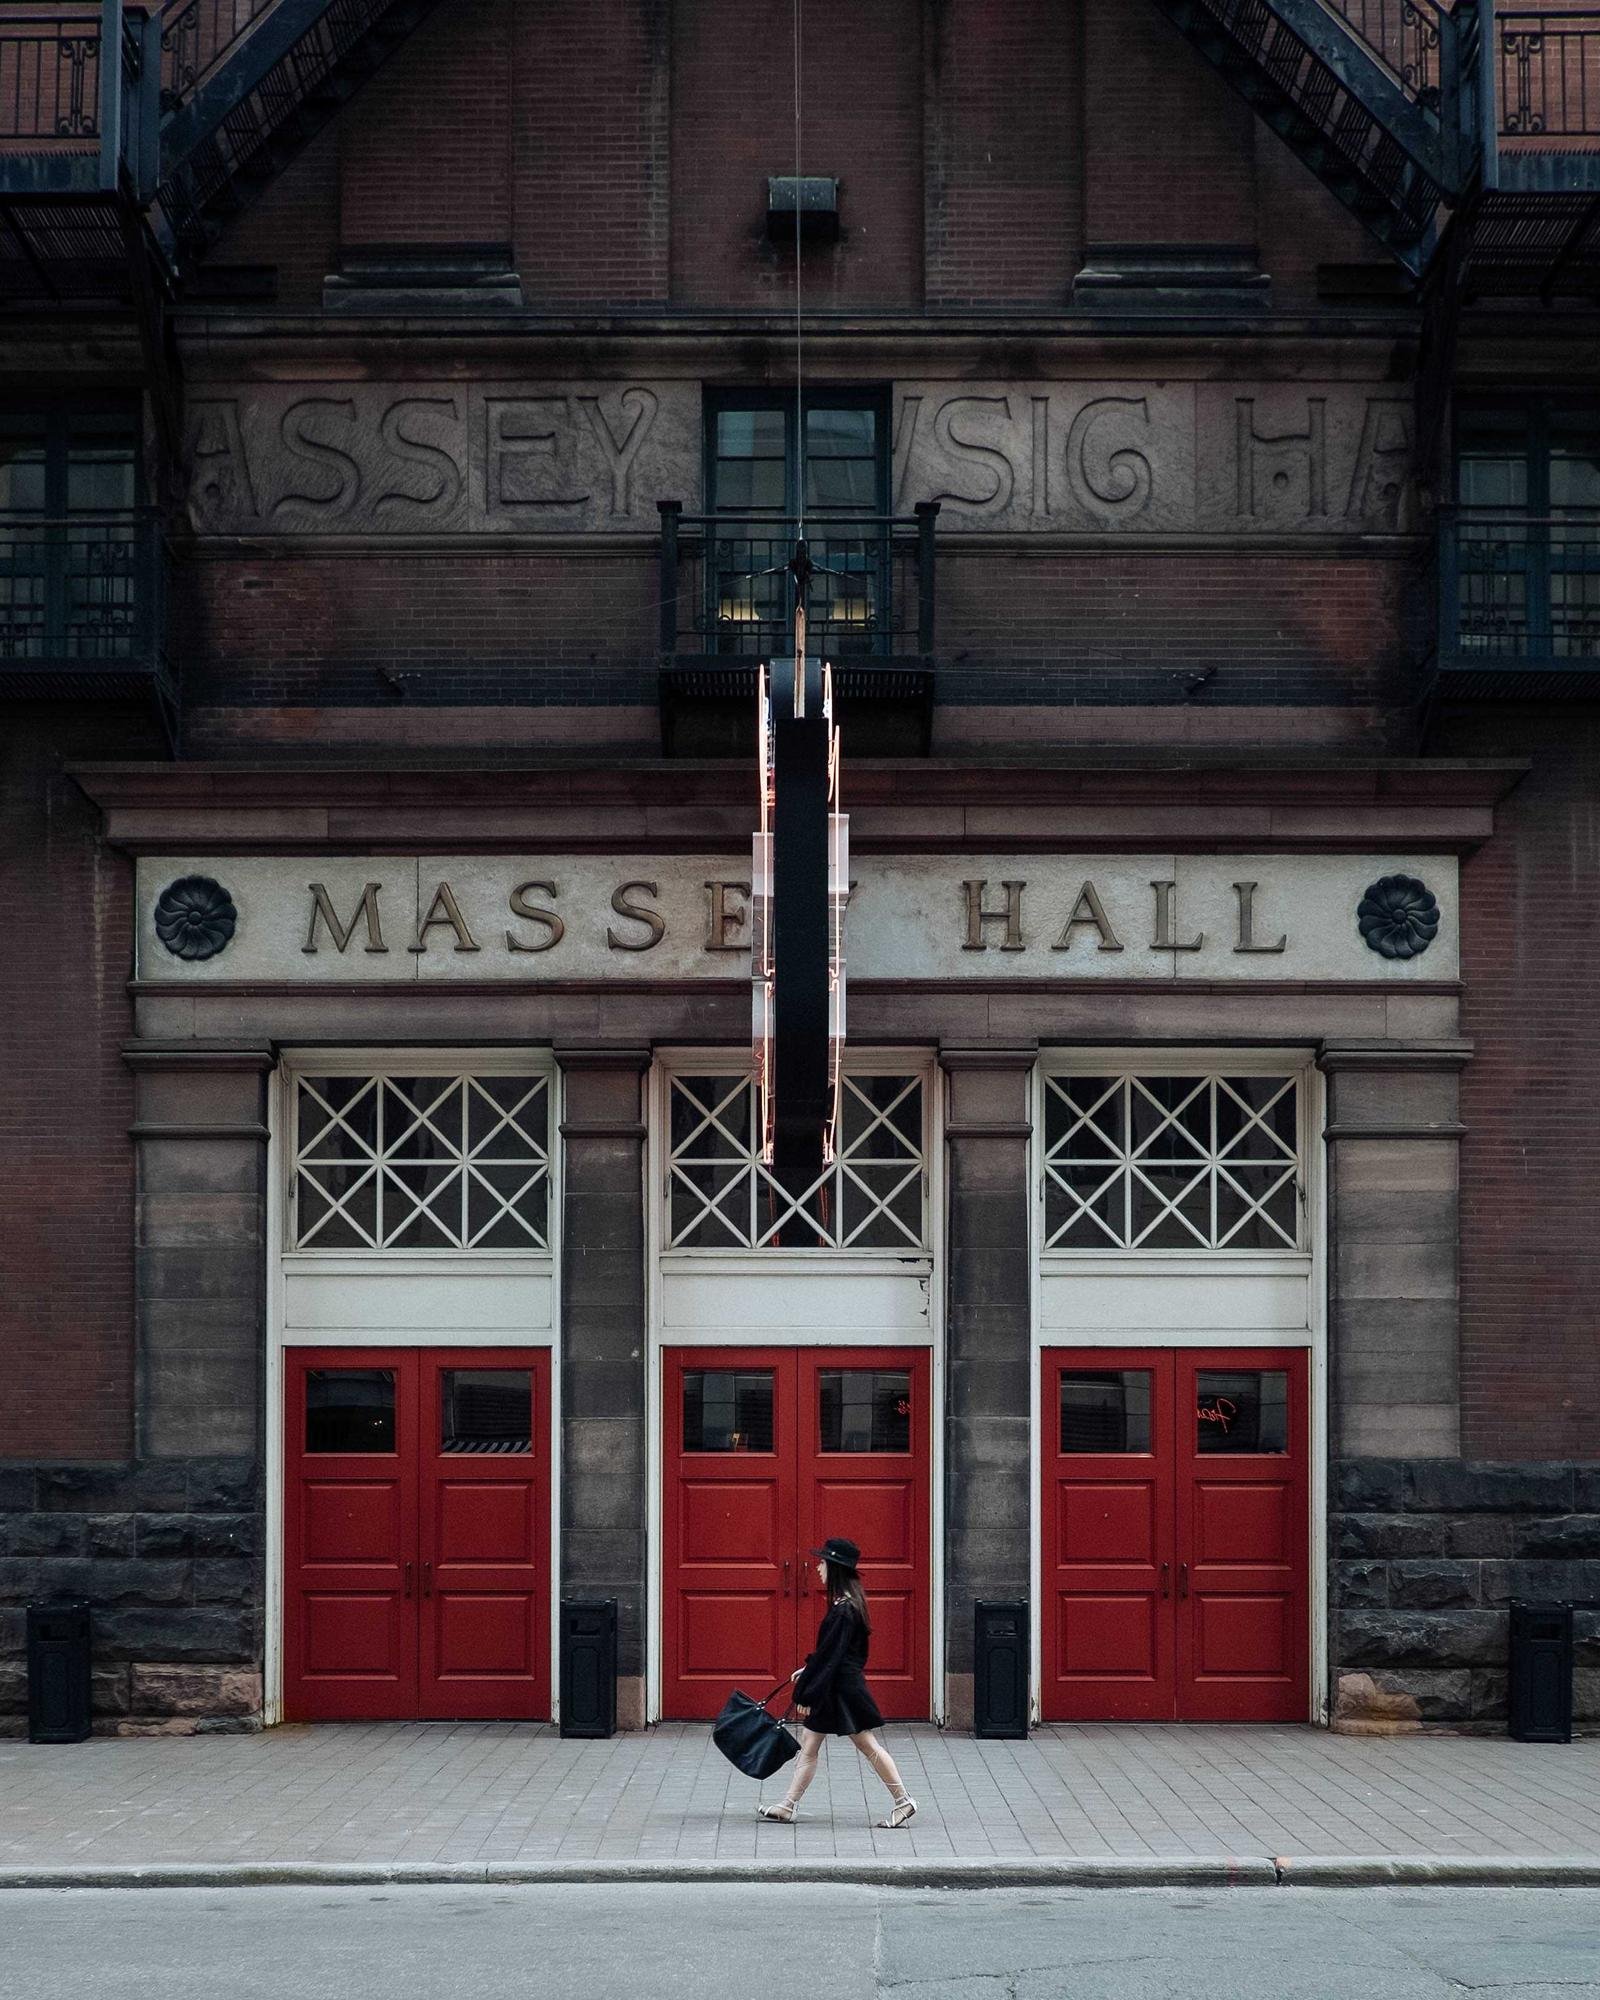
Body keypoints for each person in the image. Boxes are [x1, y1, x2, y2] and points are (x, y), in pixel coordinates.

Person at [757, 1535, 917, 1829]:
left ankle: (903, 1801)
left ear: (834, 1568)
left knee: (868, 1746)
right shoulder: (849, 1604)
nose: (818, 1567)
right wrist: (808, 1670)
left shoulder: (844, 1610)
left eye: (822, 1562)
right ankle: (788, 1805)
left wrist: (806, 1693)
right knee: (810, 1745)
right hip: (839, 1689)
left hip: (841, 1692)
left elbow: (832, 1659)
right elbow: (832, 1654)